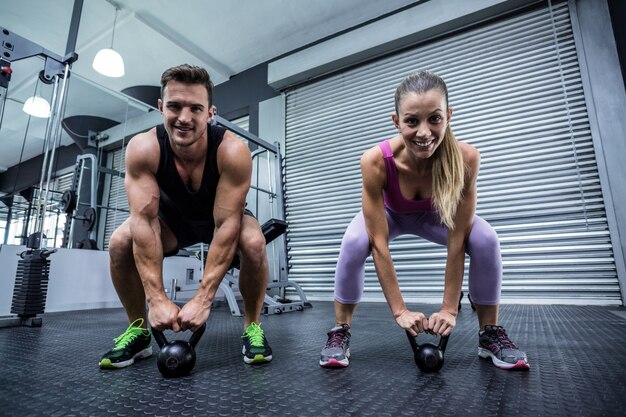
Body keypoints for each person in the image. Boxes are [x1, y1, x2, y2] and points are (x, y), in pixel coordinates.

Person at [319, 71, 529, 370]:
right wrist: (399, 310)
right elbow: (378, 244)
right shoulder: (375, 161)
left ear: (449, 116)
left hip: (436, 217)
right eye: (412, 121)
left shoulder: (466, 158)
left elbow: (457, 241)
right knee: (354, 242)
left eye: (434, 118)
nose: (424, 132)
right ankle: (340, 330)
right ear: (396, 122)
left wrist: (449, 309)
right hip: (392, 216)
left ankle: (489, 333)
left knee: (485, 239)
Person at [99, 64, 272, 369]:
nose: (184, 118)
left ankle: (252, 327)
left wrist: (203, 299)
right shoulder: (143, 149)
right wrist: (156, 299)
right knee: (119, 242)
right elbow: (144, 221)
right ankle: (139, 330)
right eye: (175, 106)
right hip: (171, 223)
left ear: (210, 113)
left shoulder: (232, 151)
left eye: (195, 108)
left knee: (254, 242)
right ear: (160, 107)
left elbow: (227, 223)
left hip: (221, 218)